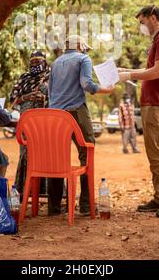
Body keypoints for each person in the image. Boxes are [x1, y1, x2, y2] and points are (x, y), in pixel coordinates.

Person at [118, 5, 159, 217]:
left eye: (142, 22)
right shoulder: (158, 40)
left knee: (158, 154)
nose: (141, 26)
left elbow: (158, 72)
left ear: (153, 17)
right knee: (154, 154)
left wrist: (129, 76)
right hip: (152, 104)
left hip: (158, 104)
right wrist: (127, 71)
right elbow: (152, 71)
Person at [48, 35, 114, 216]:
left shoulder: (55, 63)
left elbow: (50, 91)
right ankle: (85, 206)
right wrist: (106, 89)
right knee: (87, 153)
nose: (86, 49)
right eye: (85, 46)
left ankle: (53, 207)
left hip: (55, 115)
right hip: (76, 111)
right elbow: (86, 83)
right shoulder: (83, 58)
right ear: (79, 45)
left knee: (56, 157)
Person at [9, 50, 49, 197]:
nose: (34, 65)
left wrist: (43, 97)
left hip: (45, 125)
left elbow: (56, 99)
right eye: (32, 62)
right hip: (26, 124)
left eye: (38, 62)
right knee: (26, 154)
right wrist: (26, 97)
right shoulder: (24, 78)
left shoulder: (51, 78)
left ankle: (44, 192)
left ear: (45, 62)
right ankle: (25, 191)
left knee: (44, 154)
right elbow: (13, 99)